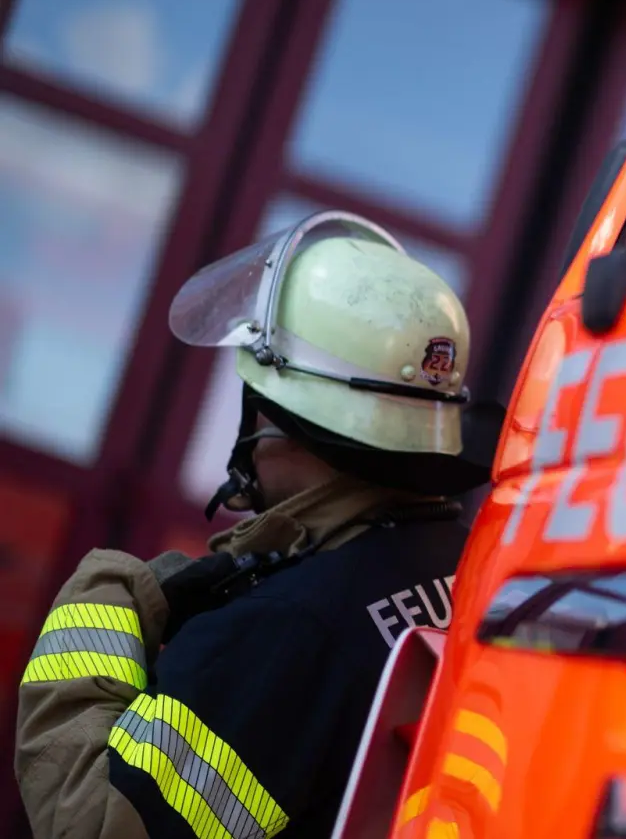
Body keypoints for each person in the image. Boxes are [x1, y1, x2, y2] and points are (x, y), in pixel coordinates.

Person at [13, 210, 505, 839]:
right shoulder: (462, 561)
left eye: (253, 402)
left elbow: (89, 823)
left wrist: (105, 593)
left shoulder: (283, 630)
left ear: (287, 422)